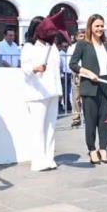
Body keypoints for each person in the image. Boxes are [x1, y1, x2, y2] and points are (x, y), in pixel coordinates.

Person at [69, 14, 107, 164]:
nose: (100, 29)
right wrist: (87, 73)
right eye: (97, 26)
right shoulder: (83, 44)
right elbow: (73, 64)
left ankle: (103, 148)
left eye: (102, 26)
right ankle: (92, 149)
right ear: (90, 27)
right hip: (90, 88)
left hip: (106, 87)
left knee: (105, 121)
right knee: (91, 121)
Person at [20, 17, 62, 171]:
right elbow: (24, 68)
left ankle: (49, 158)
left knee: (51, 127)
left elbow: (56, 70)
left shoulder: (52, 47)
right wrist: (35, 68)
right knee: (38, 128)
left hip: (52, 92)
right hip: (37, 93)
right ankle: (38, 161)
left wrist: (59, 91)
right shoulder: (29, 47)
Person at [68, 29, 85, 127]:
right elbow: (69, 62)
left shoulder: (88, 46)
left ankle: (88, 117)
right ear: (76, 37)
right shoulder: (72, 47)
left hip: (86, 73)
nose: (82, 38)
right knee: (76, 97)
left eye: (84, 36)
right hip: (76, 74)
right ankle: (76, 118)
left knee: (86, 97)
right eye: (80, 36)